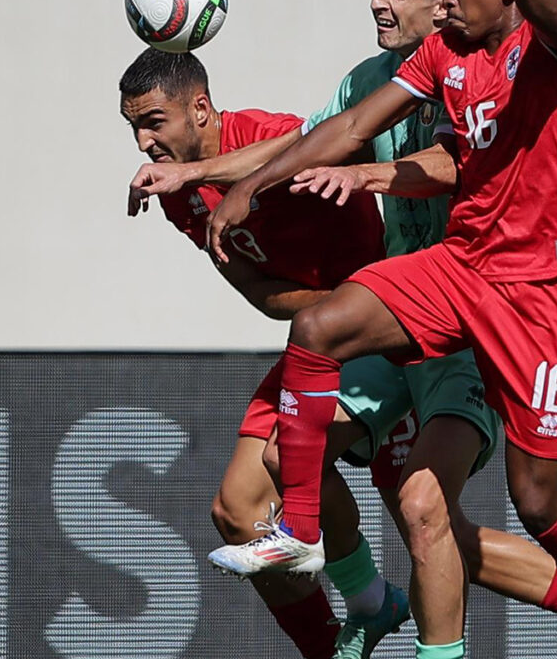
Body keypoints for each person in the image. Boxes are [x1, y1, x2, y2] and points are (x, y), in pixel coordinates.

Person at [135, 0, 557, 659]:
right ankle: (303, 539)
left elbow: (469, 135)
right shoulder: (433, 58)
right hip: (450, 271)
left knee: (503, 507)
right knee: (320, 339)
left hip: (533, 295)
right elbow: (349, 128)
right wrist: (251, 187)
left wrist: (370, 176)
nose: (382, 2)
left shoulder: (546, 52)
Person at [119, 47, 411, 659]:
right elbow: (258, 292)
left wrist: (367, 306)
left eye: (153, 122)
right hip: (330, 336)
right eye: (134, 128)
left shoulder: (261, 135)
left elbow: (321, 145)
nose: (144, 143)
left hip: (400, 332)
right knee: (237, 509)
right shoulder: (180, 197)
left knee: (439, 529)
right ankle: (340, 637)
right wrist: (339, 309)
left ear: (200, 108)